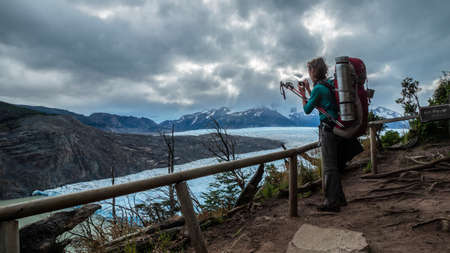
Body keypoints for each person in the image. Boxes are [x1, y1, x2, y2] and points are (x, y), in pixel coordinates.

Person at [299, 57, 362, 212]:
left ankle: (331, 203)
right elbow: (320, 103)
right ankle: (339, 199)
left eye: (309, 70)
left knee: (329, 167)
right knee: (333, 165)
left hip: (328, 130)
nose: (309, 72)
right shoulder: (326, 85)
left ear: (313, 71)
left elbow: (307, 109)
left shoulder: (318, 88)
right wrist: (309, 90)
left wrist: (302, 94)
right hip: (336, 128)